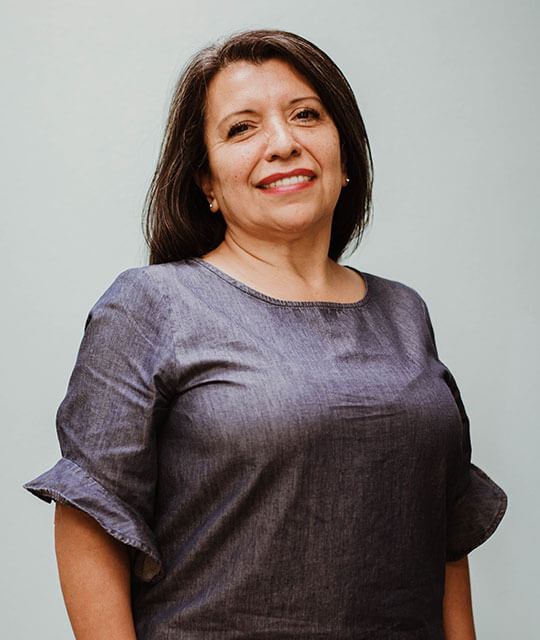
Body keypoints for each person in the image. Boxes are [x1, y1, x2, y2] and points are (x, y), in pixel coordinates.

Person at [24, 29, 507, 639]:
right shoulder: (152, 305)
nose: (283, 143)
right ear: (206, 182)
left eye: (306, 115)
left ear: (344, 154)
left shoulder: (404, 312)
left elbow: (446, 530)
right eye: (241, 128)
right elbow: (91, 517)